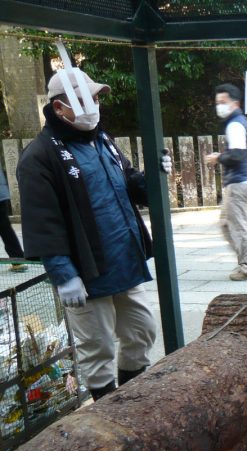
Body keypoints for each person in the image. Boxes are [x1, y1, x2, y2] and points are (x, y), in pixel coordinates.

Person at [18, 67, 165, 400]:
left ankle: (131, 398)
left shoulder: (102, 139)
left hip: (124, 259)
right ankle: (106, 412)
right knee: (97, 348)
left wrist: (153, 177)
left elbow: (129, 183)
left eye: (96, 97)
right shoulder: (39, 156)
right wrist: (63, 273)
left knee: (141, 331)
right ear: (59, 108)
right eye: (85, 98)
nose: (95, 105)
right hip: (85, 269)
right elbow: (43, 221)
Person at [205, 83, 247, 281]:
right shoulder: (239, 122)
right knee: (227, 224)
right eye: (217, 102)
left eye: (223, 102)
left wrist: (218, 158)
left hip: (238, 183)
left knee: (237, 226)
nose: (219, 106)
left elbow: (237, 154)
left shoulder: (235, 124)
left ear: (235, 103)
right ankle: (246, 263)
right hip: (238, 182)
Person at [0, 166, 26, 271]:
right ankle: (18, 259)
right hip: (1, 195)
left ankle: (18, 259)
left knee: (5, 228)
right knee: (5, 228)